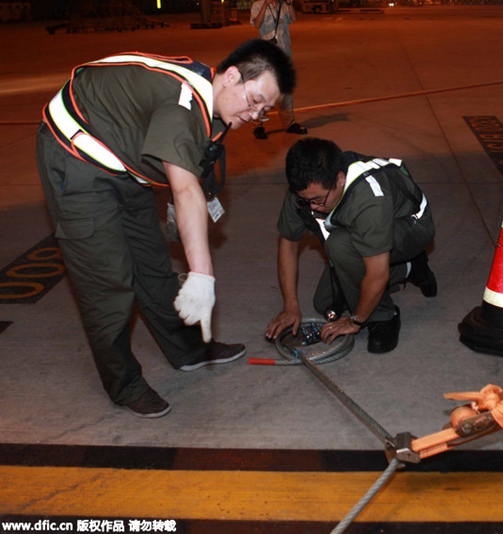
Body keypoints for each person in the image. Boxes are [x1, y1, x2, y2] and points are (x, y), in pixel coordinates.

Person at [36, 39, 297, 418]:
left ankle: (188, 350)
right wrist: (202, 275)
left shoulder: (218, 110)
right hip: (75, 156)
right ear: (232, 76)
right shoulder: (183, 104)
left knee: (153, 264)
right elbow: (185, 187)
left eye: (264, 110)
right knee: (109, 283)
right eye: (254, 99)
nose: (255, 114)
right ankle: (124, 384)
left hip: (123, 160)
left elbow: (192, 174)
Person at [265, 138, 436, 354]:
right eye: (305, 200)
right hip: (365, 234)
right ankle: (410, 267)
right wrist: (290, 306)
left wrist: (356, 321)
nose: (312, 207)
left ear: (339, 179)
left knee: (341, 244)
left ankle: (384, 316)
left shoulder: (368, 199)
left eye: (318, 200)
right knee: (325, 303)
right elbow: (288, 244)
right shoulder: (306, 193)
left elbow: (376, 274)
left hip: (410, 226)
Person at [251, 0, 307, 139]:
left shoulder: (284, 5)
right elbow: (257, 24)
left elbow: (294, 19)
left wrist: (290, 3)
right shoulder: (258, 5)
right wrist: (265, 5)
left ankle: (289, 123)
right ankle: (258, 125)